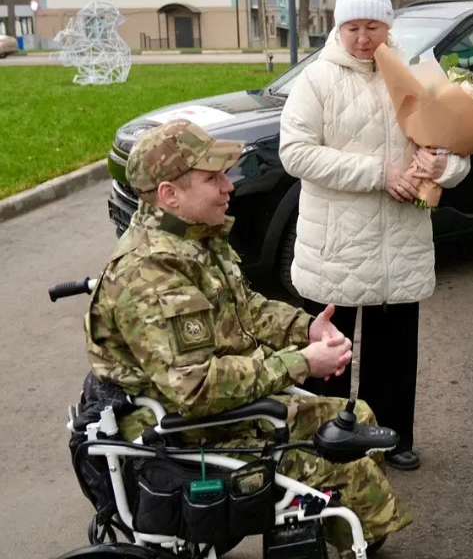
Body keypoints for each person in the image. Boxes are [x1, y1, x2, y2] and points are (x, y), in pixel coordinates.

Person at [85, 119, 412, 556]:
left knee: (359, 418)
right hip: (177, 432)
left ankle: (362, 535)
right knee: (337, 464)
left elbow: (244, 309)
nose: (228, 187)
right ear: (169, 194)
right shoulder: (153, 273)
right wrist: (301, 363)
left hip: (208, 410)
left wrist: (306, 328)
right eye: (213, 178)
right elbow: (196, 389)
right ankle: (357, 537)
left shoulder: (191, 235)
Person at [279, 0, 470, 471]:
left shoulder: (413, 75)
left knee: (395, 349)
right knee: (330, 351)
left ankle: (391, 437)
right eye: (352, 28)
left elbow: (458, 151)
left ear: (388, 25)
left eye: (373, 27)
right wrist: (377, 173)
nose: (363, 39)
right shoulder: (317, 79)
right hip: (335, 247)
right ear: (338, 27)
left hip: (399, 244)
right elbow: (295, 153)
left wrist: (443, 167)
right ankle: (325, 441)